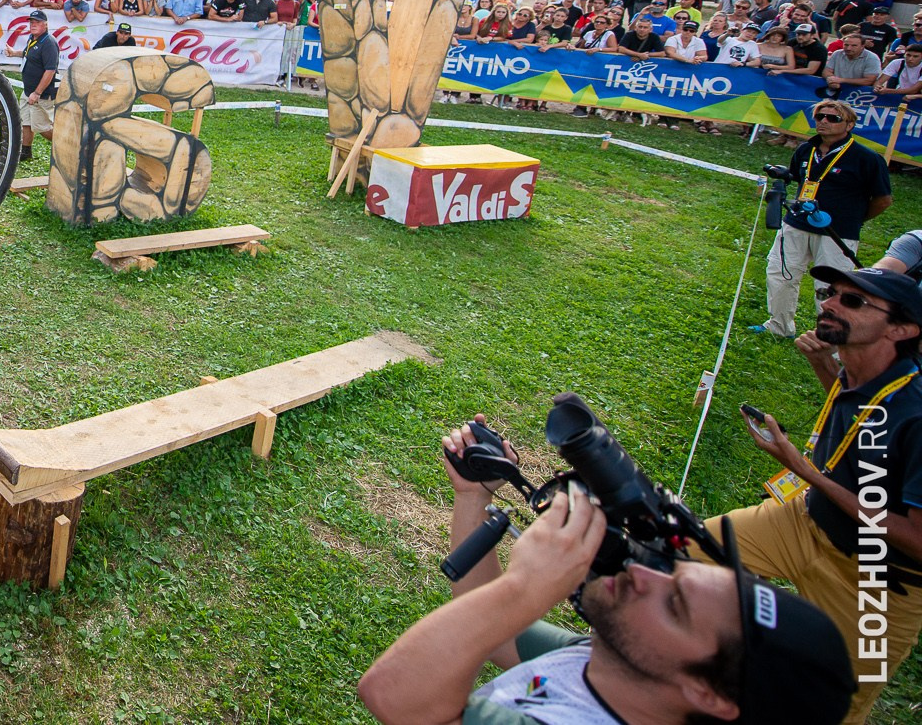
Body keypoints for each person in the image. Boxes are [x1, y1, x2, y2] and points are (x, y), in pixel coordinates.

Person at [358, 415, 854, 725]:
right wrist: (472, 497)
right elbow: (494, 636)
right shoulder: (607, 662)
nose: (644, 574)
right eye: (673, 573)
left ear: (707, 692)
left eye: (674, 604)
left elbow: (395, 697)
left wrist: (525, 587)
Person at [716, 264, 922, 724]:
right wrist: (821, 364)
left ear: (903, 328)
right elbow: (867, 424)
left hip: (876, 582)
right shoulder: (864, 370)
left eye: (853, 301)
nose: (827, 303)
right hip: (804, 521)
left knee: (830, 706)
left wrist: (809, 473)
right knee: (681, 551)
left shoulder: (918, 410)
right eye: (831, 292)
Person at [757, 100, 892, 337]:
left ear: (849, 124)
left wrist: (854, 220)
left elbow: (883, 200)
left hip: (837, 231)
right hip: (797, 223)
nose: (824, 122)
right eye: (820, 117)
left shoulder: (867, 158)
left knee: (830, 287)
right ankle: (779, 326)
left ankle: (830, 337)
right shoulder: (805, 149)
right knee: (780, 272)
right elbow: (802, 181)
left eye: (833, 118)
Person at [15, 10, 60, 164]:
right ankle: (26, 151)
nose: (33, 25)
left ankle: (67, 145)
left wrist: (37, 92)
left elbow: (50, 70)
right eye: (31, 22)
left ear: (45, 25)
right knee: (26, 122)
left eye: (37, 22)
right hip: (28, 91)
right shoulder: (33, 38)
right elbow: (29, 54)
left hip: (41, 93)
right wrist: (14, 53)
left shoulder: (49, 43)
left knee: (42, 127)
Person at [822, 31, 882, 98]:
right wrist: (831, 79)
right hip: (835, 91)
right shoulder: (837, 53)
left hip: (859, 94)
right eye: (846, 45)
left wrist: (841, 80)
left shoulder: (872, 58)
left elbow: (869, 80)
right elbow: (827, 71)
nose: (848, 48)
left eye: (854, 45)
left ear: (862, 46)